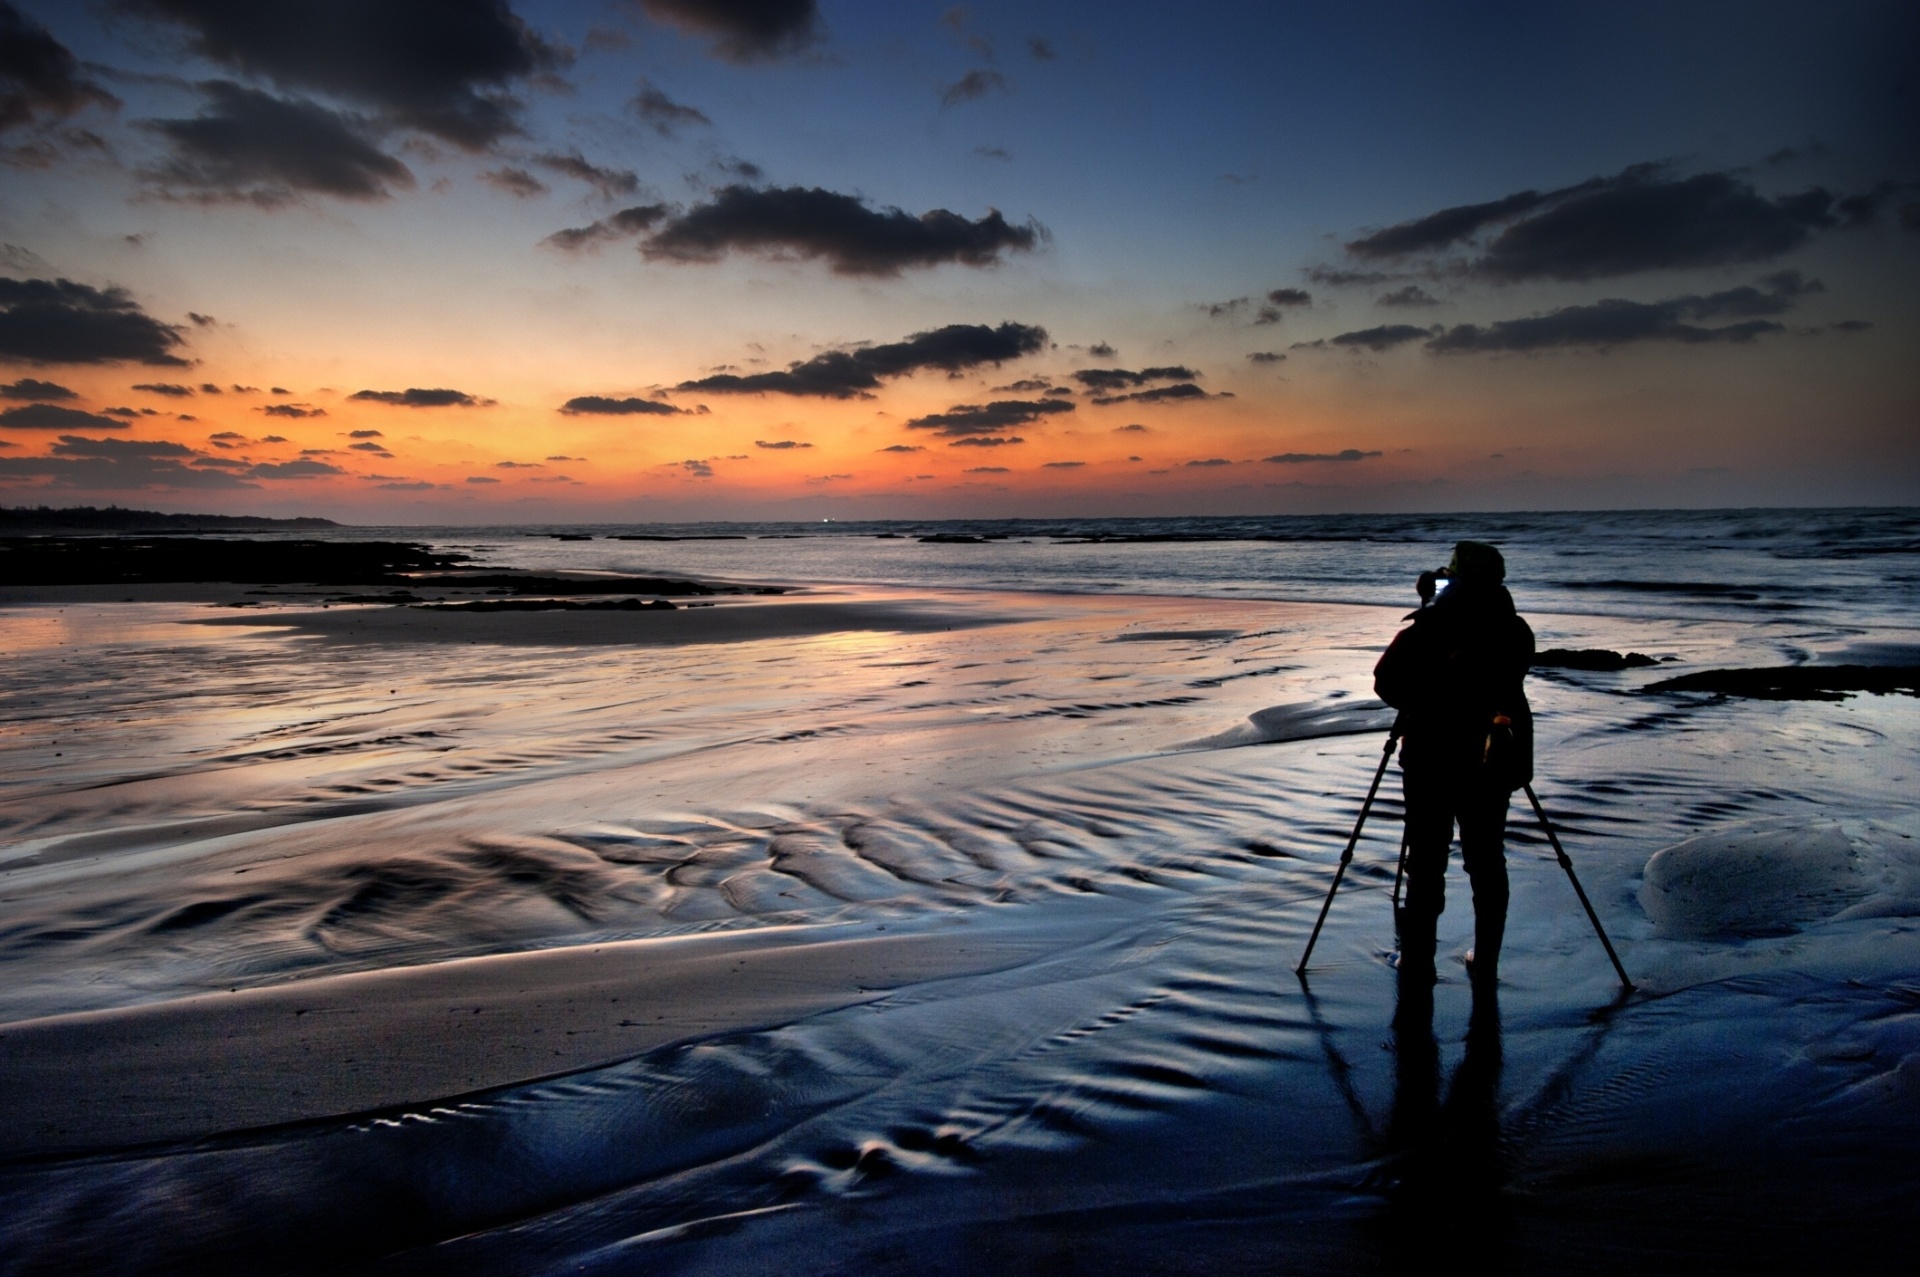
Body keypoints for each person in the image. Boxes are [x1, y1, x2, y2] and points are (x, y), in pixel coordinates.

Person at [1373, 540, 1534, 984]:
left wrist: (1433, 608)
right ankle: (1486, 959)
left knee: (1426, 859)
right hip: (1493, 757)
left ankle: (1418, 960)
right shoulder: (1514, 629)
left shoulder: (1431, 625)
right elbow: (1513, 675)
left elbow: (1385, 681)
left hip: (1432, 757)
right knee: (1486, 859)